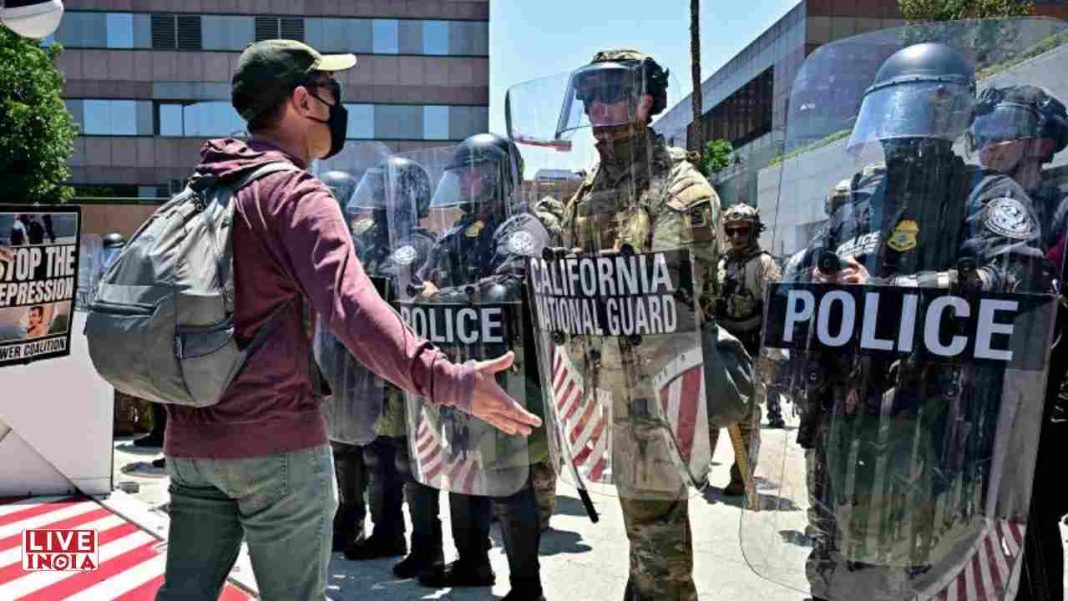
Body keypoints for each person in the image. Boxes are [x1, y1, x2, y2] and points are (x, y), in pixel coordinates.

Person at [155, 39, 540, 601]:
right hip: (273, 446)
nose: (339, 105)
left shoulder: (200, 190)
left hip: (191, 442)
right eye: (332, 92)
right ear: (304, 101)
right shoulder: (293, 193)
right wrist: (450, 380)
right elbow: (353, 310)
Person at [786, 42, 1049, 601]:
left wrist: (892, 290)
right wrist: (815, 282)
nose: (902, 131)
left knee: (925, 577)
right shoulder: (858, 200)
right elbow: (804, 272)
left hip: (936, 429)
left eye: (922, 111)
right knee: (838, 574)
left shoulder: (986, 194)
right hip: (846, 427)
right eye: (894, 112)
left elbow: (1014, 280)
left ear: (953, 115)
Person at [555, 50, 722, 600]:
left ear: (646, 101)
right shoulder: (589, 191)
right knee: (643, 528)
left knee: (658, 533)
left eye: (611, 94)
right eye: (588, 97)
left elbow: (685, 299)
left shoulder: (677, 190)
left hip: (658, 390)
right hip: (608, 386)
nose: (596, 108)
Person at [398, 133, 552, 601]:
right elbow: (421, 286)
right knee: (460, 468)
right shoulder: (451, 237)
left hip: (512, 372)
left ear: (502, 173)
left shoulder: (525, 225)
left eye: (477, 169)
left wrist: (444, 296)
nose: (467, 179)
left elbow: (507, 286)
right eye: (462, 171)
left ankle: (527, 586)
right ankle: (471, 564)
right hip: (459, 371)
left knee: (509, 480)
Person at [967, 85, 1068, 601]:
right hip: (972, 396)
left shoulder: (1061, 211)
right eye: (980, 134)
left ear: (1043, 143)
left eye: (1002, 133)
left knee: (1030, 527)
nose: (989, 145)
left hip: (1041, 398)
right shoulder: (967, 207)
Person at [711, 203, 779, 496]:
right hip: (719, 347)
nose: (737, 237)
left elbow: (777, 314)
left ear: (754, 231)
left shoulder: (764, 265)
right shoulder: (719, 263)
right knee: (708, 411)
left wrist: (772, 360)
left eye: (743, 231)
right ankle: (699, 471)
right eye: (731, 231)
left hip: (751, 349)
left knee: (747, 419)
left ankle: (741, 477)